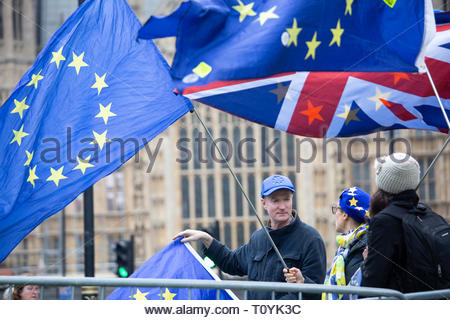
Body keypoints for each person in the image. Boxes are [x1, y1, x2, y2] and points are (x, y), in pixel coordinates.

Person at [174, 174, 327, 299]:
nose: (282, 206)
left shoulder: (311, 239)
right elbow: (232, 263)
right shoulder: (259, 238)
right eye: (275, 200)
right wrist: (206, 239)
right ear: (264, 203)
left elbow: (317, 293)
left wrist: (302, 281)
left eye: (286, 199)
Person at [361, 152, 436, 292]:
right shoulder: (426, 213)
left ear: (383, 184)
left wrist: (366, 261)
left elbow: (372, 282)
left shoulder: (384, 222)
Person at [285, 187, 370, 300]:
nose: (335, 215)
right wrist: (303, 281)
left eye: (337, 209)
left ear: (345, 214)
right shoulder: (346, 247)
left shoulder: (364, 246)